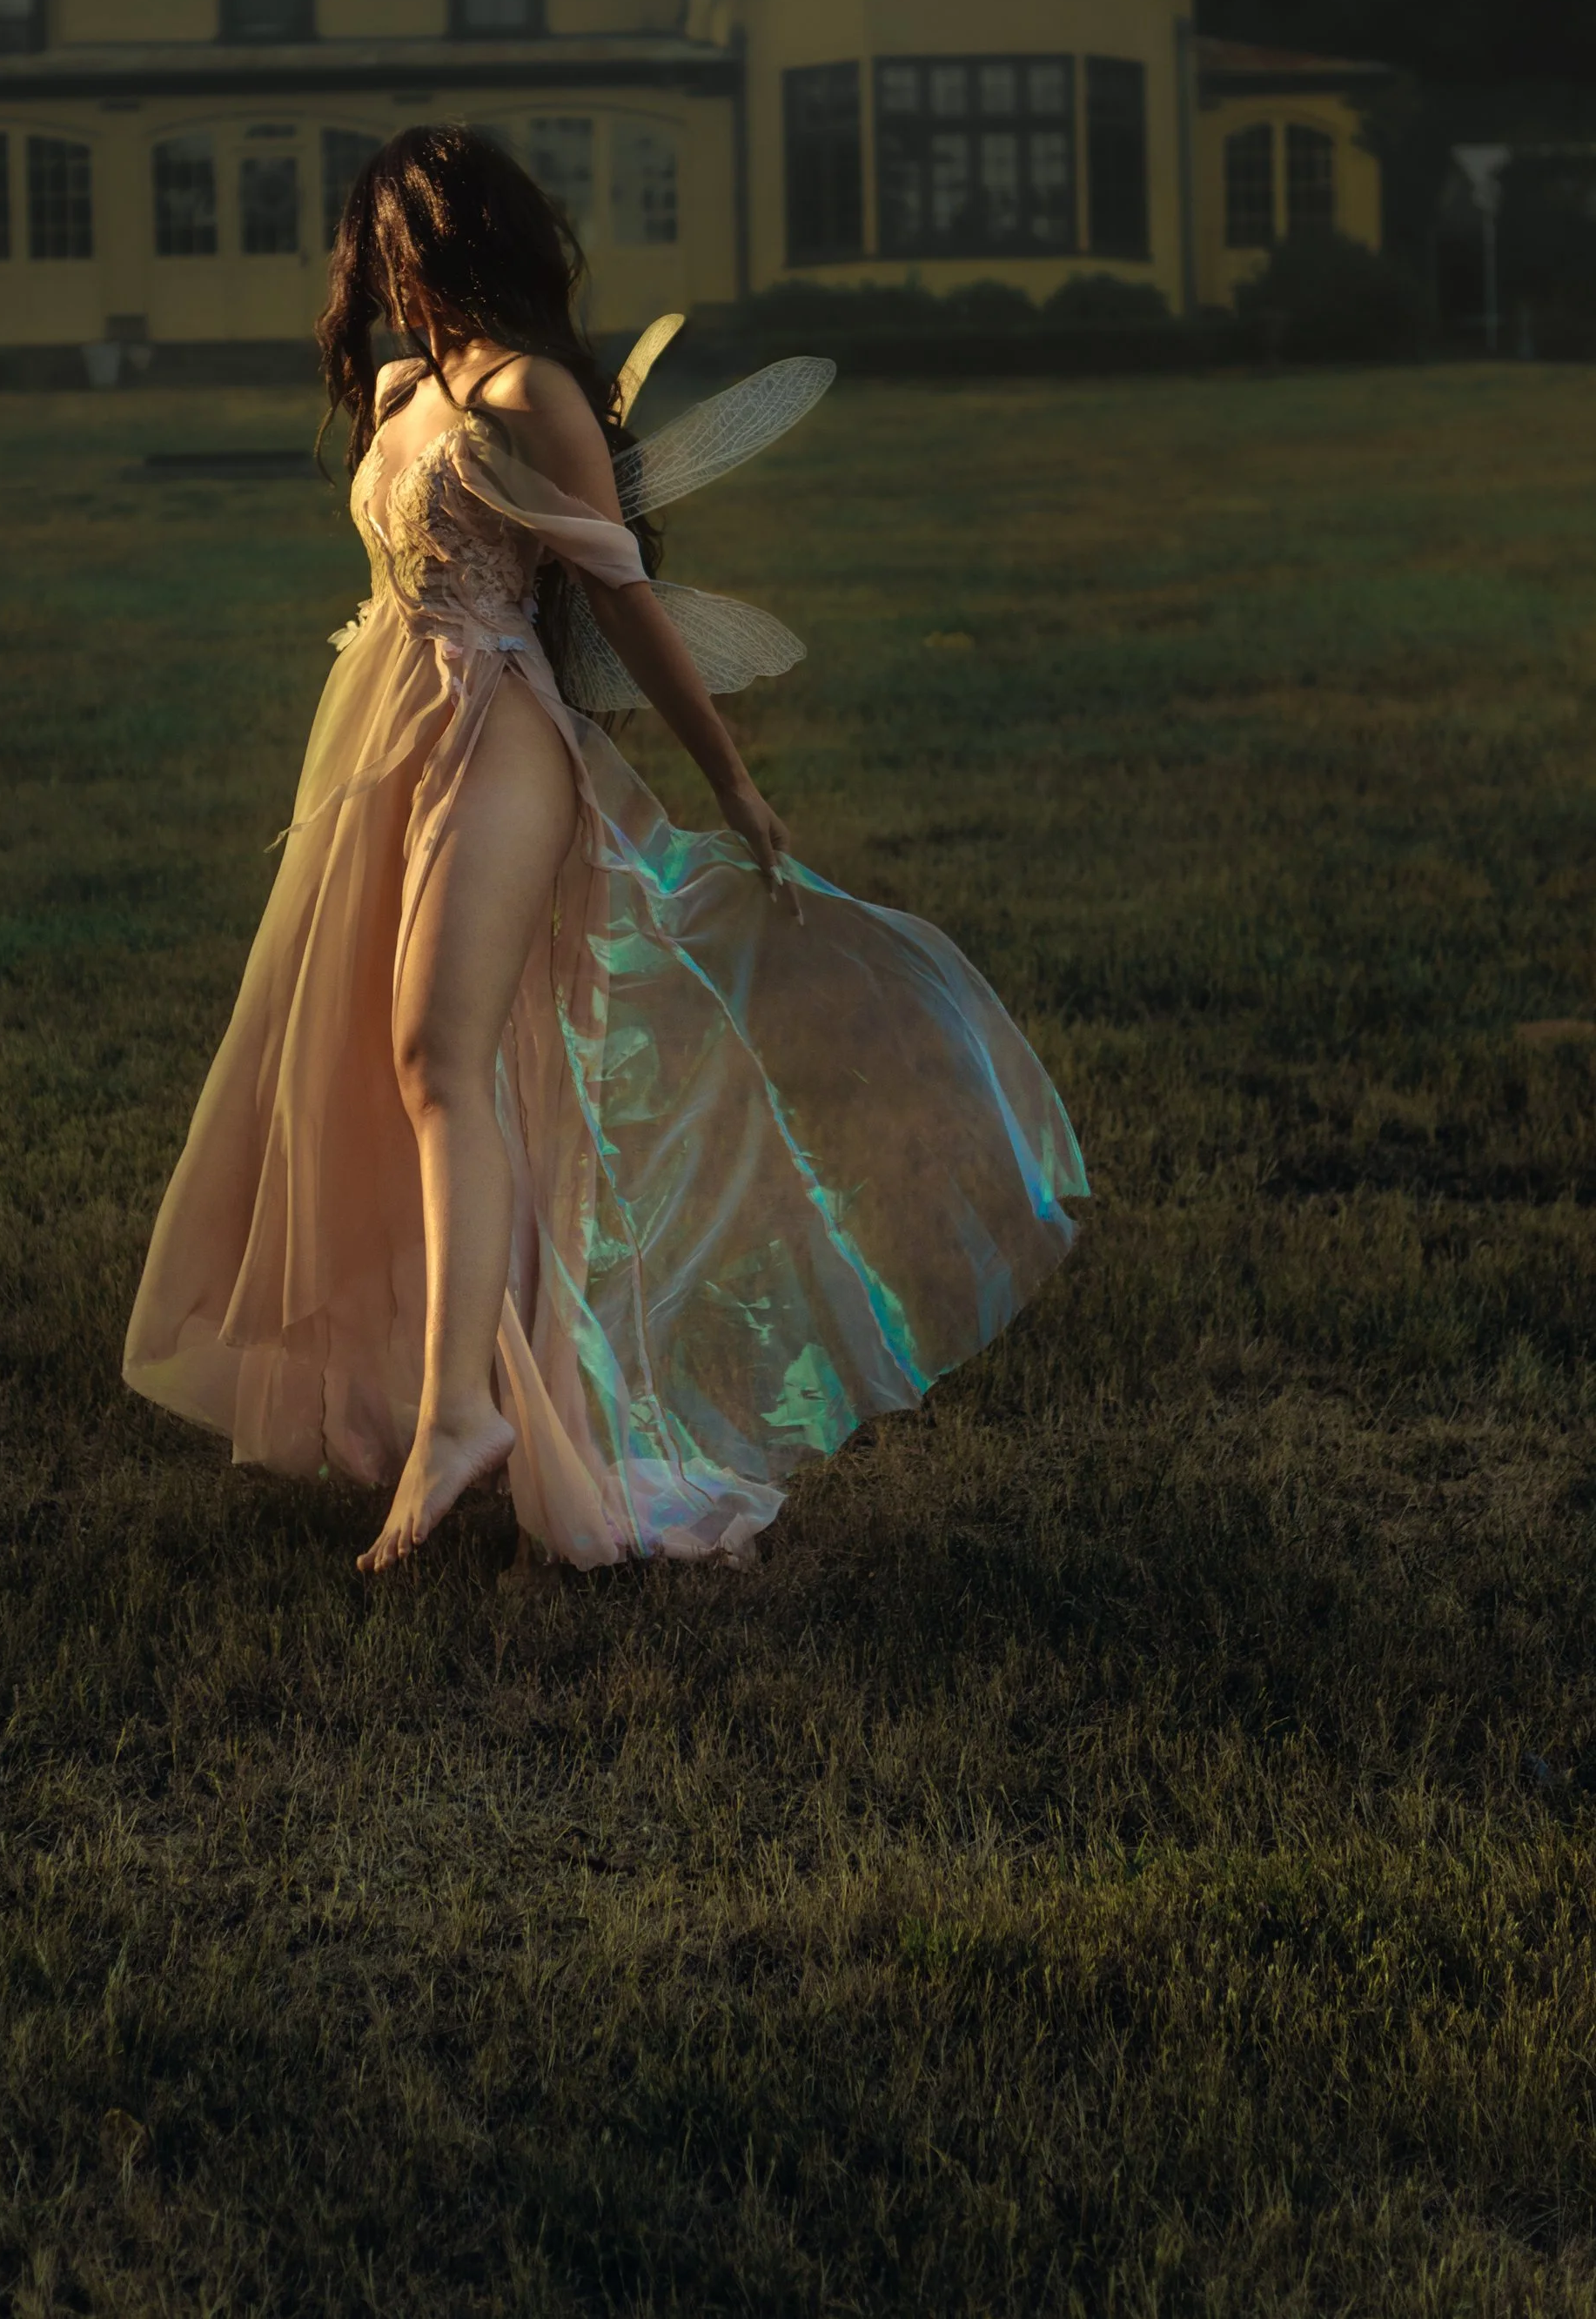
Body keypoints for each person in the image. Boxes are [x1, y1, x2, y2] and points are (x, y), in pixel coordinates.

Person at [124, 125, 1084, 1572]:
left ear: (450, 240)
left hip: (496, 732)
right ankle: (457, 1389)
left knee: (442, 1057)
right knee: (394, 1063)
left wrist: (734, 783)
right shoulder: (404, 388)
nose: (384, 272)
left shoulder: (529, 393)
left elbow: (625, 599)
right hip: (388, 729)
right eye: (373, 247)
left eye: (402, 241)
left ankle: (463, 1414)